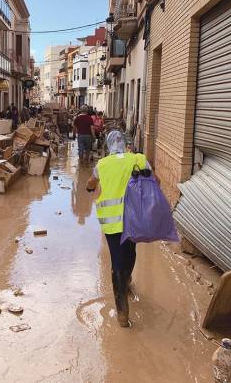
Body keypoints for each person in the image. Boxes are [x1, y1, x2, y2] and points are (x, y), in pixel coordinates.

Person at [86, 130, 151, 327]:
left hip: (111, 222)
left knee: (116, 261)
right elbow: (156, 182)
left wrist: (90, 188)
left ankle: (122, 312)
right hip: (134, 220)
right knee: (131, 251)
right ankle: (128, 279)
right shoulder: (138, 159)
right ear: (126, 144)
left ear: (108, 145)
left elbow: (91, 183)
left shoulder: (102, 164)